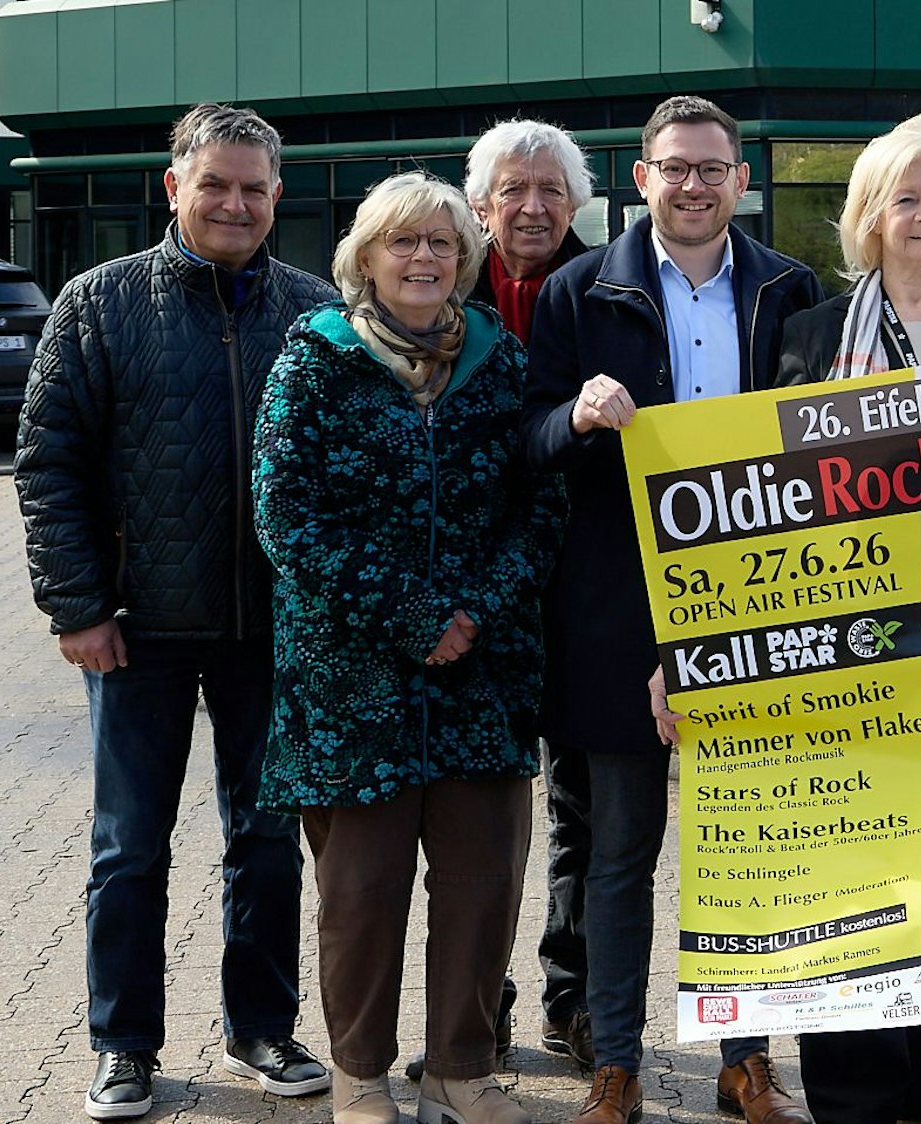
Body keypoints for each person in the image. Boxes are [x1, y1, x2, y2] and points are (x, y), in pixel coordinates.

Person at [14, 103, 336, 1121]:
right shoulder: (97, 304)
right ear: (174, 188)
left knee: (268, 838)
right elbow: (49, 460)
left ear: (277, 196)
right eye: (216, 184)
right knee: (129, 844)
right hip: (135, 629)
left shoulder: (317, 310)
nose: (235, 203)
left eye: (254, 188)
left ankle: (261, 1028)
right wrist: (76, 605)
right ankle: (123, 1042)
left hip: (273, 630)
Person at [521, 94, 823, 1124]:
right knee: (620, 852)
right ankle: (616, 1062)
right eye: (673, 167)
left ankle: (749, 1059)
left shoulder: (792, 287)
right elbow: (523, 441)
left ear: (741, 180)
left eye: (712, 168)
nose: (693, 185)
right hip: (612, 613)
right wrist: (574, 415)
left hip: (758, 610)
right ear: (639, 179)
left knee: (751, 847)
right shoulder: (574, 292)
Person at [251, 170, 565, 1124]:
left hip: (482, 678)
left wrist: (471, 611)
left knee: (481, 887)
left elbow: (541, 504)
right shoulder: (313, 359)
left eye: (441, 243)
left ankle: (462, 1070)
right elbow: (283, 513)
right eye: (403, 242)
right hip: (351, 682)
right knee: (362, 895)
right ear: (365, 257)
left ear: (466, 258)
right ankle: (361, 1075)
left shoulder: (501, 360)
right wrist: (412, 616)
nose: (424, 258)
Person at [766, 111, 921, 1124]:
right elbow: (767, 497)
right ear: (870, 214)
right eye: (906, 197)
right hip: (846, 646)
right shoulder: (806, 339)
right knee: (854, 857)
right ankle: (853, 1086)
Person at [466, 115, 598, 1072]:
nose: (534, 205)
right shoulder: (430, 285)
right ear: (481, 205)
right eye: (514, 188)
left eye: (551, 188)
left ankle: (574, 998)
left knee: (581, 810)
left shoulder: (609, 289)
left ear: (580, 202)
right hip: (470, 597)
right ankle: (479, 1002)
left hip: (583, 587)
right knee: (477, 816)